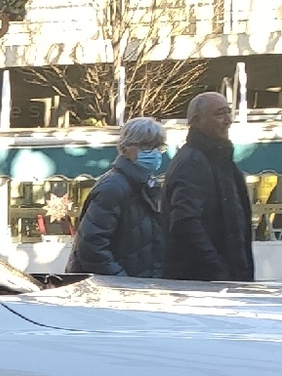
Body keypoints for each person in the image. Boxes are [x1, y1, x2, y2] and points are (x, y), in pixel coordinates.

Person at [165, 90, 255, 281]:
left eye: (228, 112)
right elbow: (185, 222)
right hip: (207, 281)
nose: (227, 120)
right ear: (197, 121)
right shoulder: (193, 161)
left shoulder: (219, 159)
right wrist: (217, 269)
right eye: (219, 114)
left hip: (222, 277)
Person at [69, 117, 168, 277]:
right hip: (116, 292)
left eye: (158, 147)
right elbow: (91, 247)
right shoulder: (113, 188)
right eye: (146, 146)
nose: (155, 152)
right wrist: (122, 282)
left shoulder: (147, 186)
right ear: (126, 148)